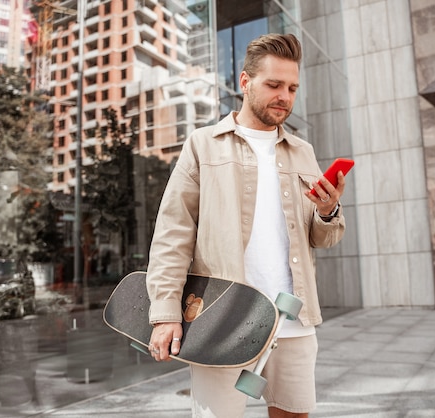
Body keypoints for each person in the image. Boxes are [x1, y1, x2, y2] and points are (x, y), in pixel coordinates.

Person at [145, 33, 347, 418]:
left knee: (293, 413)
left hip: (292, 320)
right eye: (273, 85)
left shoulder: (303, 151)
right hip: (222, 317)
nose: (284, 96)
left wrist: (327, 210)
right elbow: (173, 234)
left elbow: (324, 237)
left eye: (291, 87)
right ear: (245, 82)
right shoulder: (203, 145)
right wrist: (166, 313)